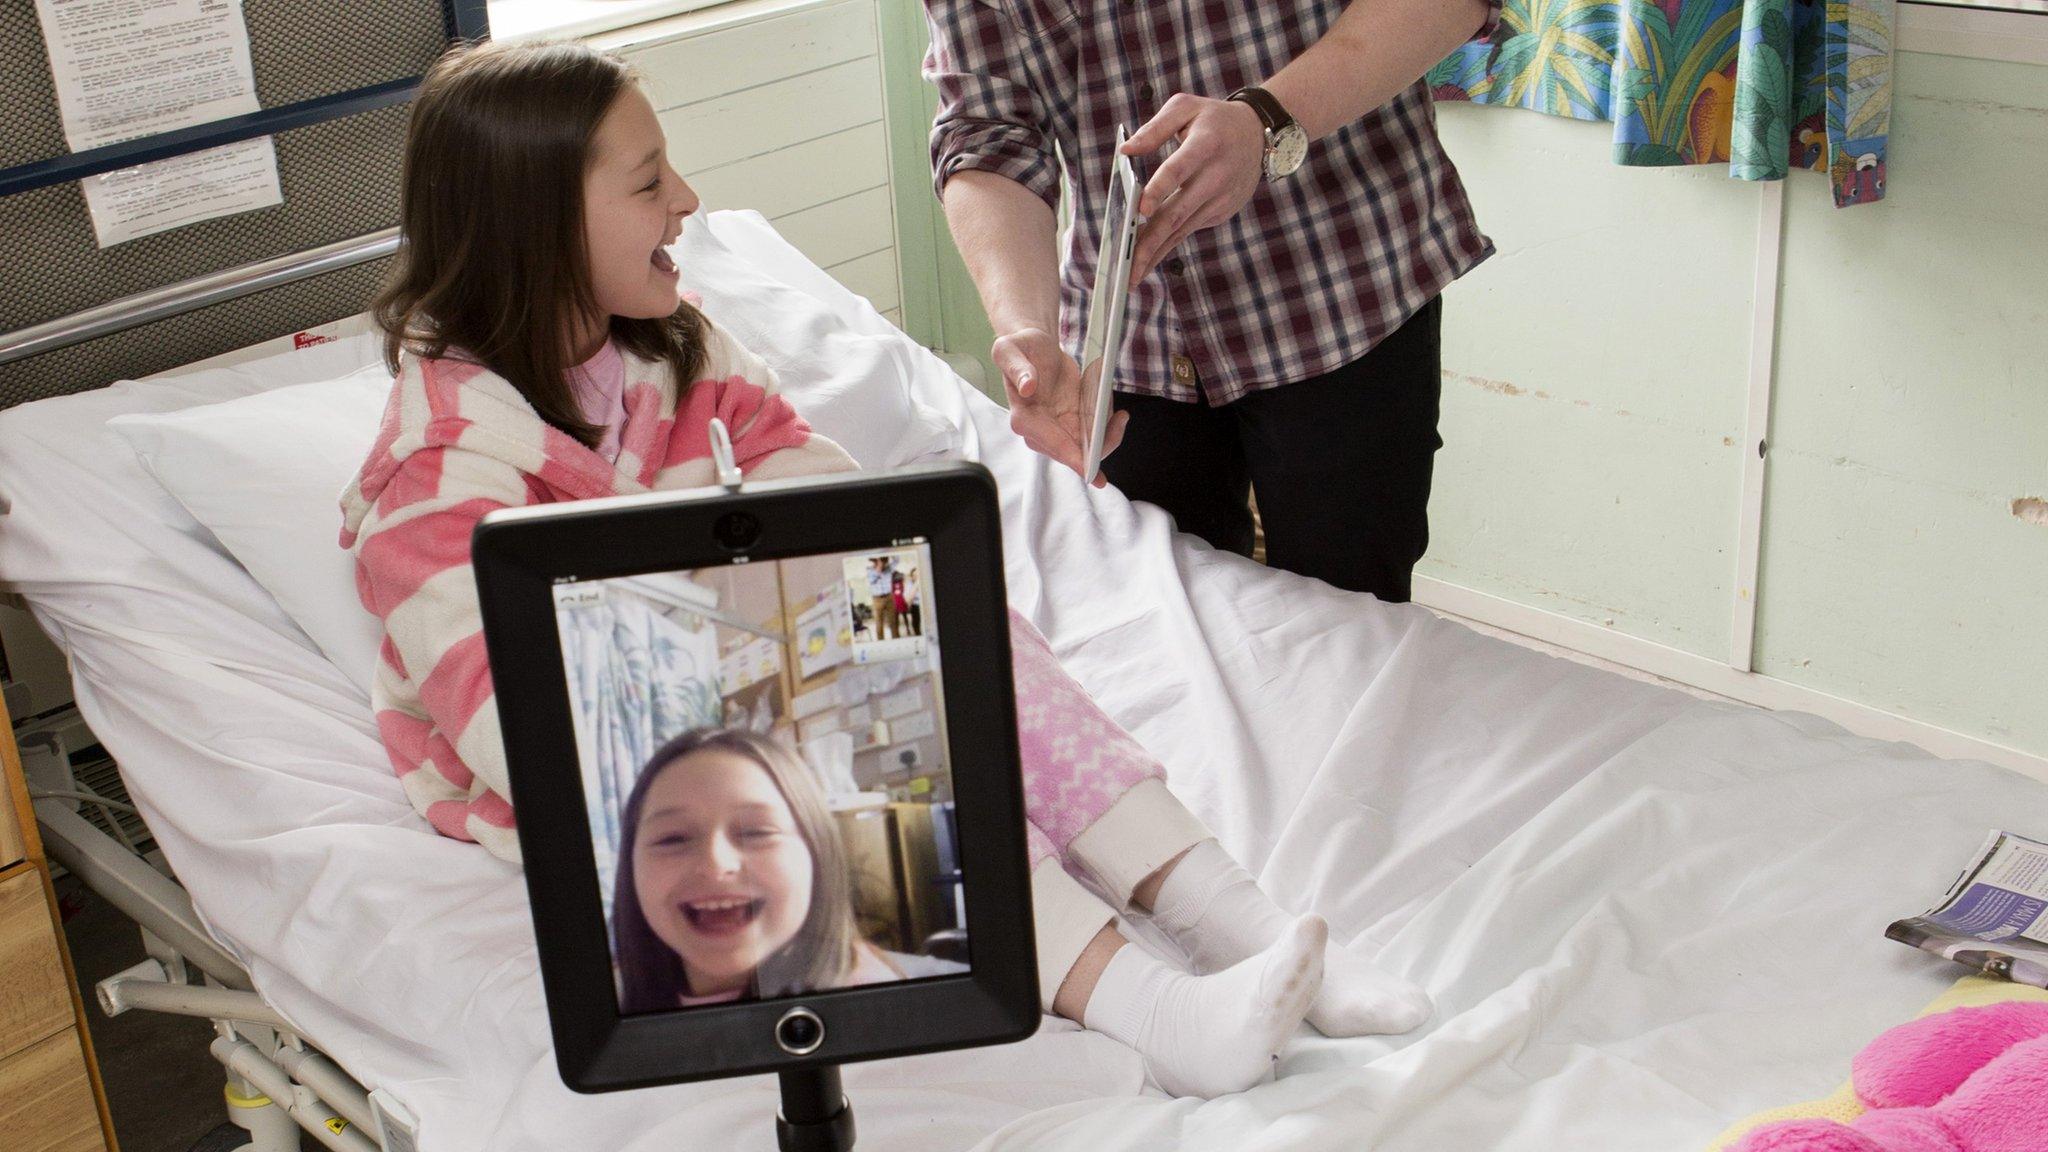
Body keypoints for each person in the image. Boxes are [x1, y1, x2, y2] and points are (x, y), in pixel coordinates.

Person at [341, 39, 1429, 1098]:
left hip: (725, 660)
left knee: (938, 611)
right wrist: (781, 671)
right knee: (841, 725)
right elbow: (536, 741)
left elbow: (825, 497)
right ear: (536, 229)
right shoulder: (433, 486)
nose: (685, 197)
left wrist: (862, 621)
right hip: (611, 774)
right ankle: (1147, 1008)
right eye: (646, 182)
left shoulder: (669, 347)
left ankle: (1232, 918)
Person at [924, 0, 1500, 602]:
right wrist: (1026, 326)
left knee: (1354, 629)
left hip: (1344, 288)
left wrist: (1267, 120)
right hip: (1130, 340)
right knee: (1167, 631)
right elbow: (985, 129)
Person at [612, 727, 964, 1011]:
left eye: (755, 832)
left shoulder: (874, 1006)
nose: (715, 864)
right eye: (672, 839)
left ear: (816, 853)